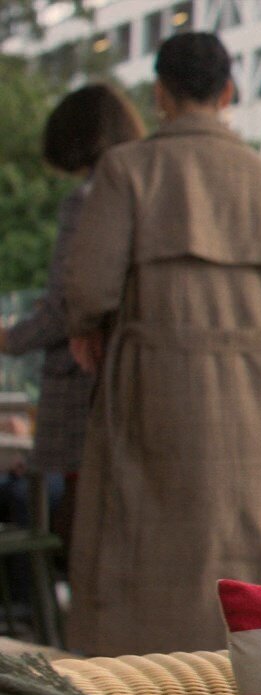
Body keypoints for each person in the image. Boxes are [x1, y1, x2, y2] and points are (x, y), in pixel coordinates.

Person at [61, 32, 261, 656]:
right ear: (228, 92)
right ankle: (251, 682)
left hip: (159, 383)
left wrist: (87, 328)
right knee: (260, 548)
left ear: (160, 94)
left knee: (142, 548)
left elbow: (89, 287)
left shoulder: (128, 170)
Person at [0, 85, 145, 556]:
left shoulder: (87, 200)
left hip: (80, 381)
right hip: (135, 377)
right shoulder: (148, 190)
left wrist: (10, 339)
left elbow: (67, 304)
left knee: (77, 523)